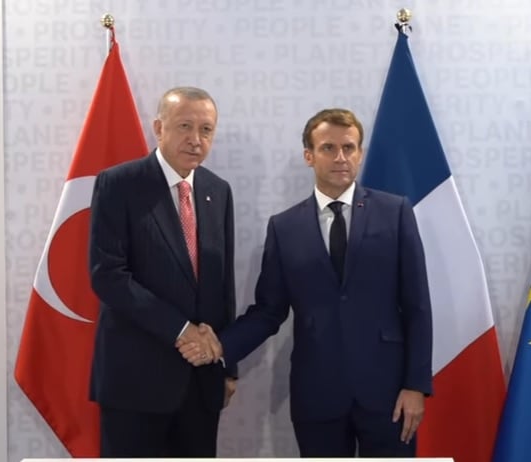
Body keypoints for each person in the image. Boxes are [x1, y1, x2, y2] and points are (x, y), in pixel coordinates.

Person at [179, 108, 433, 457]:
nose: (340, 157)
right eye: (328, 148)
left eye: (349, 147)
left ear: (360, 153)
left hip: (389, 395)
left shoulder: (395, 213)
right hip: (318, 395)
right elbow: (268, 311)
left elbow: (418, 306)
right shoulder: (284, 227)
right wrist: (220, 346)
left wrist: (416, 385)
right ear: (309, 156)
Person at [88, 86, 237, 457]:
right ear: (159, 128)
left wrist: (227, 364)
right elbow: (108, 275)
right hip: (136, 382)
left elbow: (222, 285)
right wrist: (182, 330)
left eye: (206, 129)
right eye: (185, 126)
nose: (196, 139)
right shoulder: (119, 184)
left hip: (201, 381)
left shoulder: (218, 191)